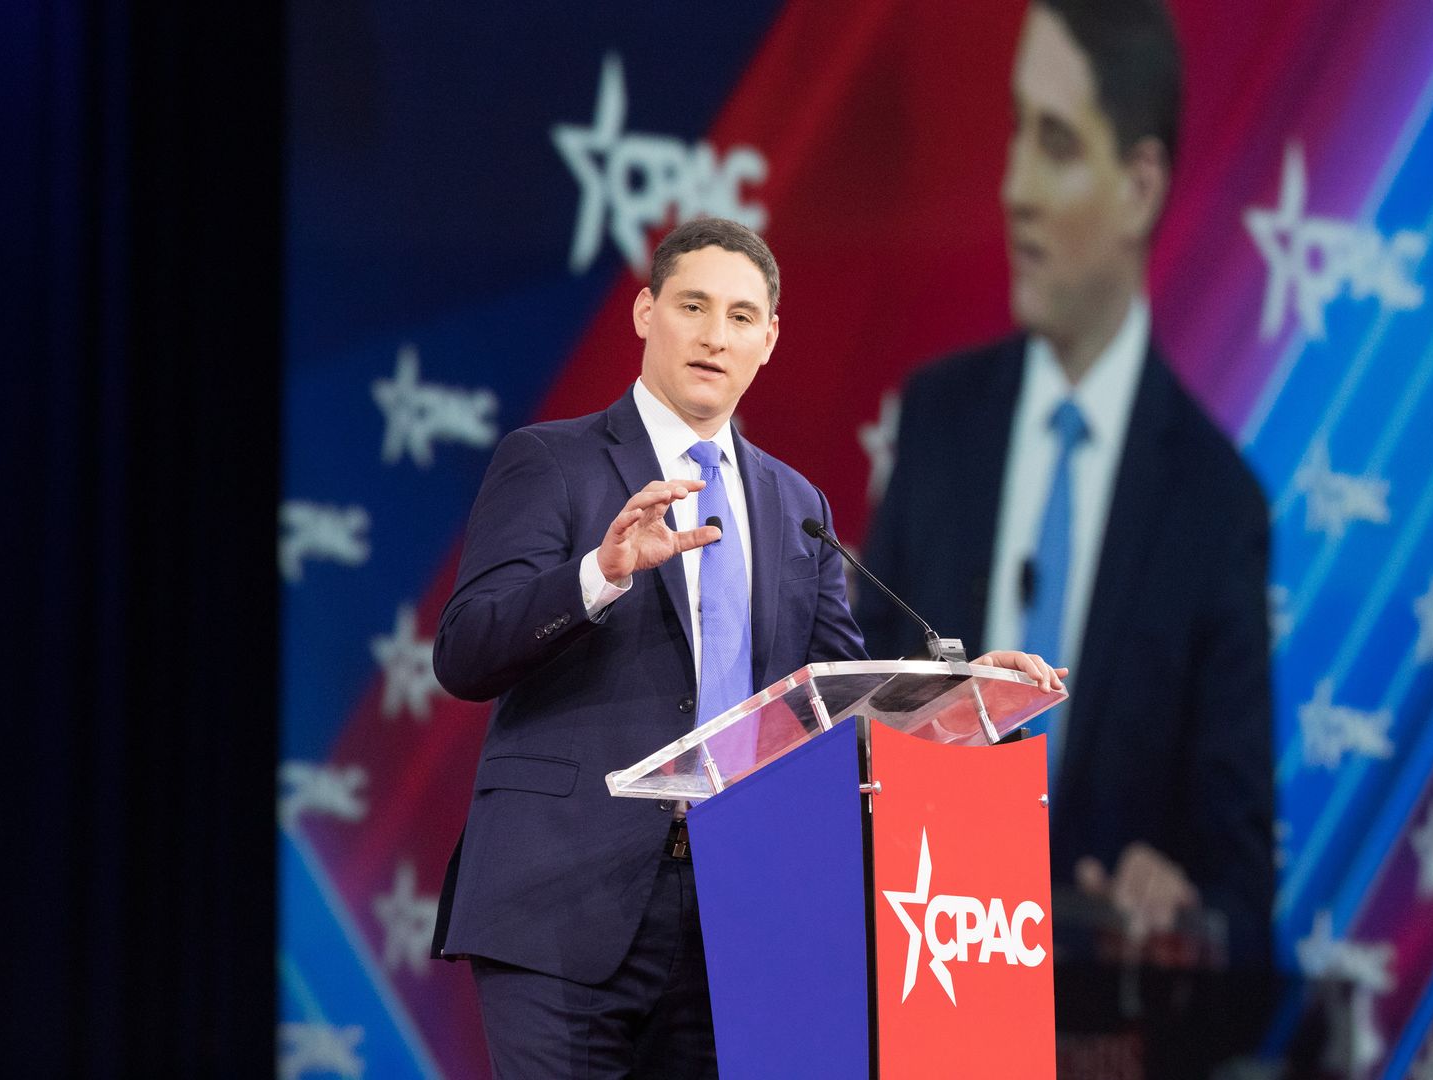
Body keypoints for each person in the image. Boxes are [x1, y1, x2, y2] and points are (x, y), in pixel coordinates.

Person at [428, 217, 1065, 1079]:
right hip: (562, 901)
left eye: (739, 316)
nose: (713, 334)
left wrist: (962, 691)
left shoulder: (796, 505)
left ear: (768, 340)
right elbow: (465, 649)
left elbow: (841, 702)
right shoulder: (551, 462)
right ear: (646, 312)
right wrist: (599, 574)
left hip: (733, 918)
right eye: (692, 305)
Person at [858, 0, 1274, 970]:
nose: (1013, 189)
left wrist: (1179, 910)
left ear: (1137, 188)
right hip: (919, 1002)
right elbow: (850, 734)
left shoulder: (1217, 508)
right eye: (1015, 132)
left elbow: (1242, 893)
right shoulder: (938, 423)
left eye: (1056, 144)